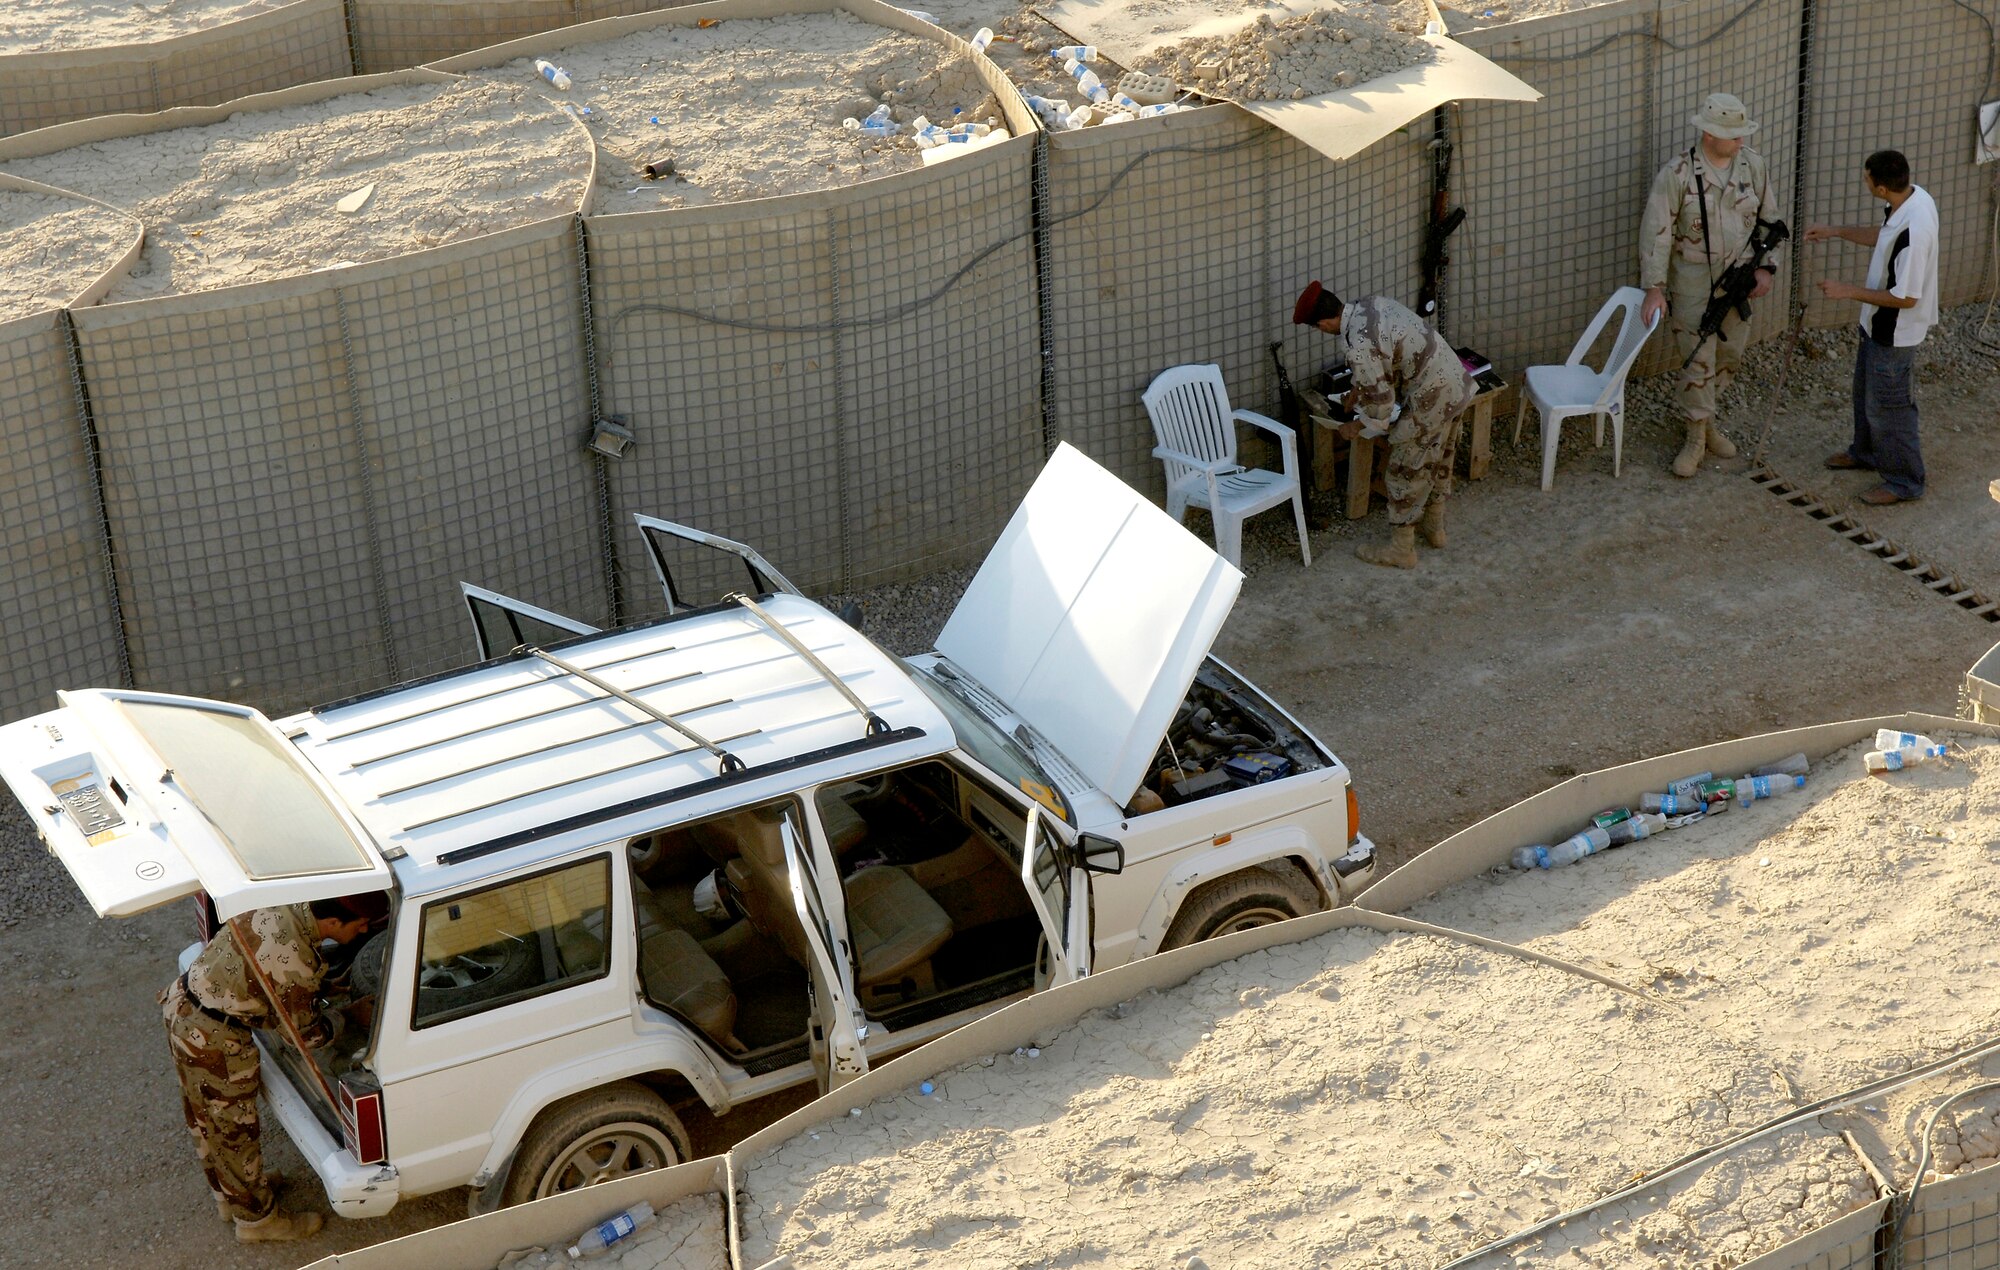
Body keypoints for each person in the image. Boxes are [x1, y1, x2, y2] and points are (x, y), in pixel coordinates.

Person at [160, 898, 373, 1242]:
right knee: (233, 1132)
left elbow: (268, 976)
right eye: (359, 924)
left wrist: (328, 988)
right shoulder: (295, 955)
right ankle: (257, 1222)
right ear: (333, 923)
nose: (364, 929)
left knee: (206, 1118)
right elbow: (307, 1037)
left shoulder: (284, 906)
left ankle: (234, 1197)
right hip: (214, 1037)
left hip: (186, 1006)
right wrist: (349, 1015)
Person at [1638, 92, 1785, 477]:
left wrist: (1766, 268)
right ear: (1708, 135)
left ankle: (1708, 422)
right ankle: (1694, 437)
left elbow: (1771, 221)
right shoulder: (1678, 175)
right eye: (1731, 135)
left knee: (1728, 355)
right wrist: (1655, 286)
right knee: (1697, 358)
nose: (1739, 141)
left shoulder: (1752, 166)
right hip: (1693, 283)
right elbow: (1657, 233)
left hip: (1739, 281)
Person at [1294, 282, 1475, 568]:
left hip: (1430, 400)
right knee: (1441, 457)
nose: (1321, 331)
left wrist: (1354, 428)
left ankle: (1402, 550)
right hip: (1456, 384)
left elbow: (1381, 409)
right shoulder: (1372, 305)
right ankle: (1435, 528)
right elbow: (1388, 351)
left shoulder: (1359, 345)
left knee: (1403, 470)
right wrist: (1357, 388)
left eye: (1318, 327)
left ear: (1325, 322)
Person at [1806, 149, 1938, 505]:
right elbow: (1883, 236)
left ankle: (1905, 482)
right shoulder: (1911, 198)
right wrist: (1835, 232)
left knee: (1891, 407)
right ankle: (1865, 453)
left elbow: (1907, 298)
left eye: (1867, 178)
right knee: (1866, 394)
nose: (1864, 181)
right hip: (1875, 326)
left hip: (1894, 334)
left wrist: (1847, 291)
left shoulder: (1915, 232)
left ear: (1880, 188)